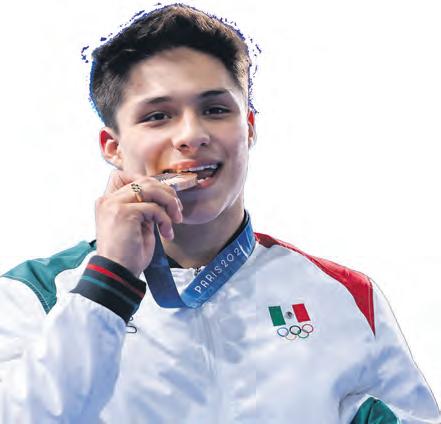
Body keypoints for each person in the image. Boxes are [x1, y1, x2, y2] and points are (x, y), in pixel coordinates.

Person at [0, 4, 439, 423]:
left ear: (248, 128)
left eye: (215, 110)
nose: (192, 135)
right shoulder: (34, 295)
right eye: (158, 116)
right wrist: (109, 280)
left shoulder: (345, 296)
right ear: (113, 147)